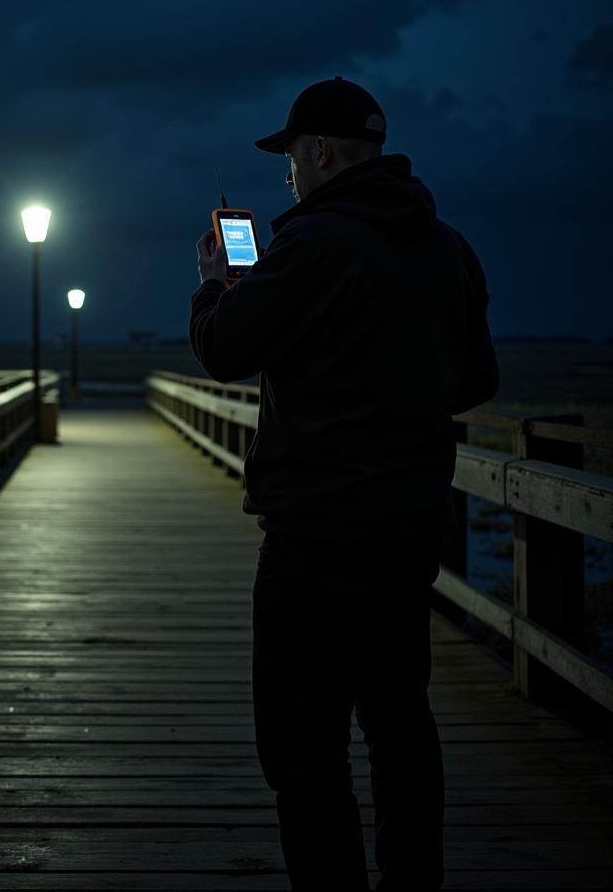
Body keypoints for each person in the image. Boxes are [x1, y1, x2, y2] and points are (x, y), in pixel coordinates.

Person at [189, 77, 499, 890]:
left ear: (319, 152)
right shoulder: (450, 249)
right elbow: (477, 380)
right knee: (401, 725)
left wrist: (219, 284)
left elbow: (225, 349)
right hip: (411, 528)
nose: (289, 176)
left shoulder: (313, 244)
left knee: (302, 745)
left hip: (319, 535)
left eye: (291, 158)